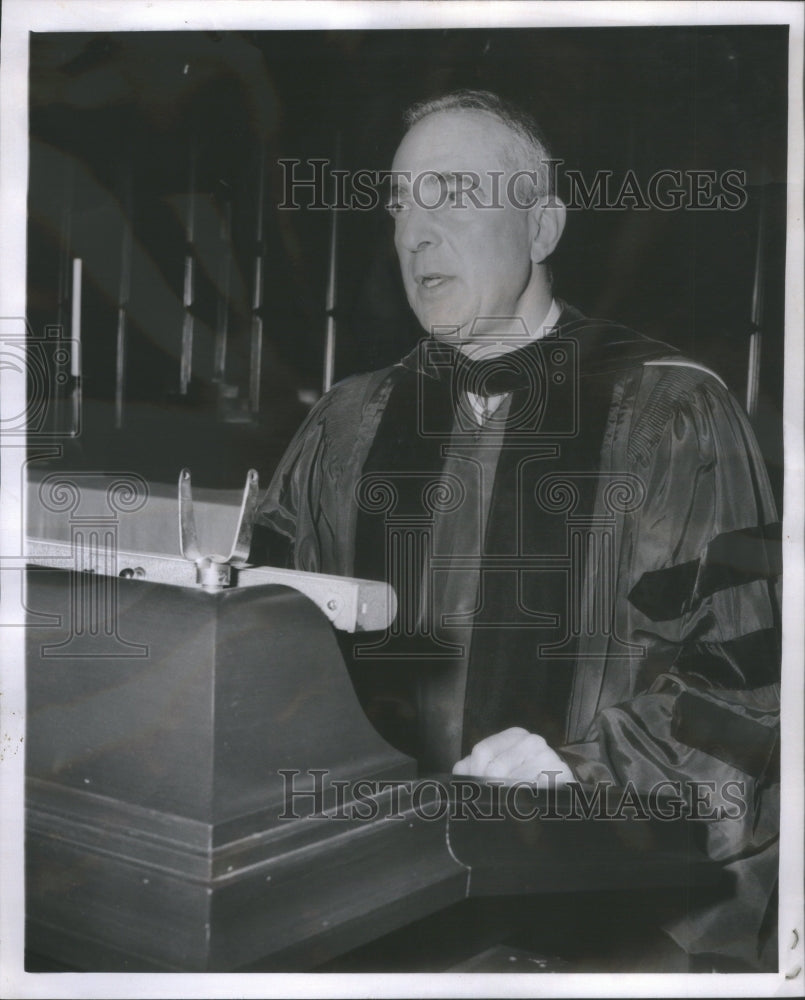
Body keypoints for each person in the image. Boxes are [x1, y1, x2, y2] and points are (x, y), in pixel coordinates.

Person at [253, 90, 780, 971]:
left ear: (541, 228)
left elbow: (742, 687)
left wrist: (581, 775)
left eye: (450, 194)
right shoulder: (347, 425)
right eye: (398, 205)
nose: (413, 232)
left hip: (621, 901)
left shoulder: (669, 412)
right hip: (374, 893)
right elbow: (267, 660)